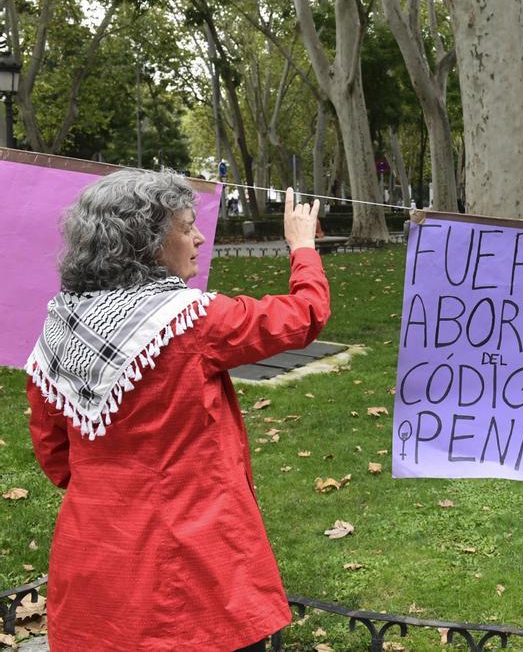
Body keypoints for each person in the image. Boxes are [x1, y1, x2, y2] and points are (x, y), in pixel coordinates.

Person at [26, 170, 329, 651]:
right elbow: (303, 315)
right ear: (148, 242)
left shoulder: (60, 326)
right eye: (187, 226)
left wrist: (113, 489)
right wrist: (303, 248)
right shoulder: (193, 322)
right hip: (198, 565)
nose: (199, 236)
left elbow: (53, 453)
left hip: (95, 561)